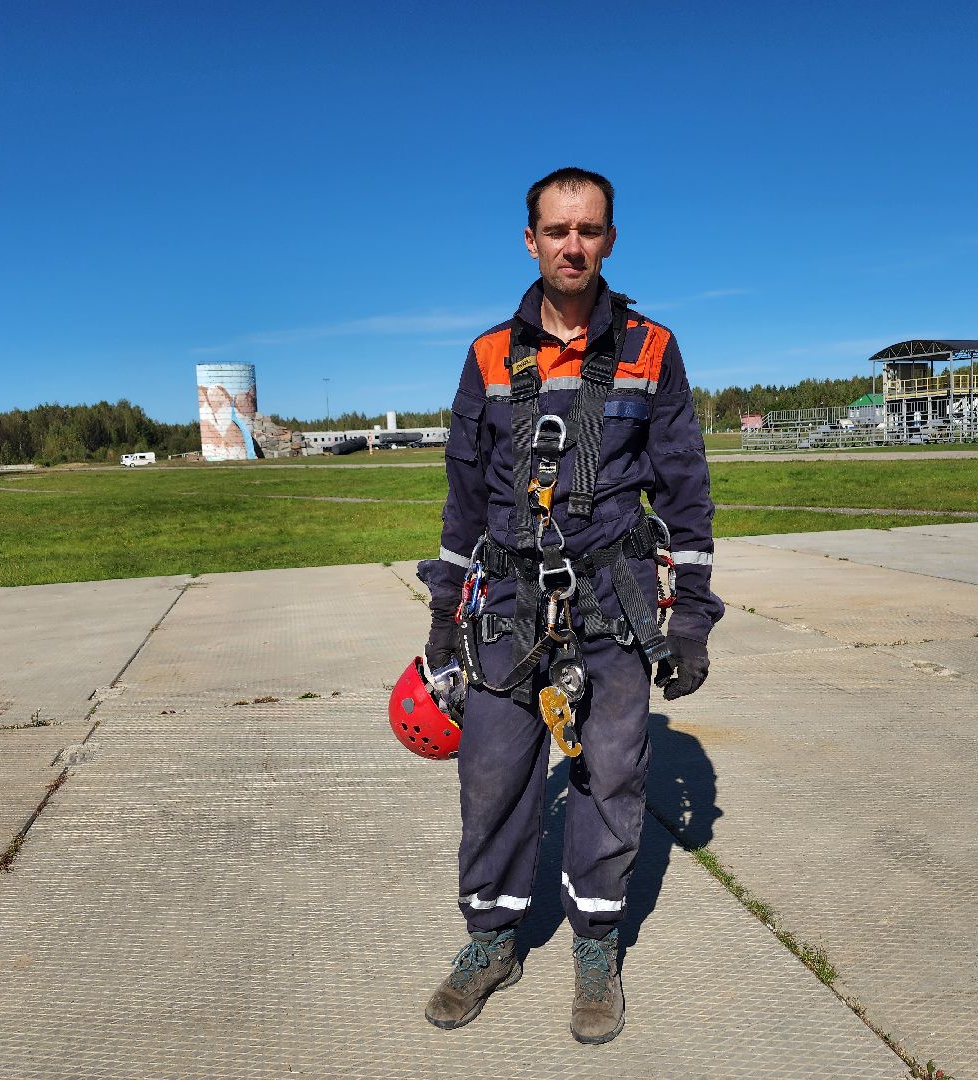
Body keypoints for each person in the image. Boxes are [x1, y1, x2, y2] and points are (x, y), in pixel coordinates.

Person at [416, 167, 723, 1045]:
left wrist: (691, 617)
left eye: (588, 230)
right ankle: (493, 938)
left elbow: (687, 495)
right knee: (493, 776)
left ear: (610, 239)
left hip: (616, 600)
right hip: (509, 603)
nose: (573, 245)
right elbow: (463, 502)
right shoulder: (485, 356)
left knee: (613, 771)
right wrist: (443, 619)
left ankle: (595, 940)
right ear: (531, 240)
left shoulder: (652, 349)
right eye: (557, 230)